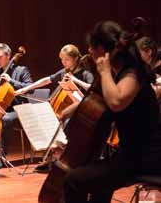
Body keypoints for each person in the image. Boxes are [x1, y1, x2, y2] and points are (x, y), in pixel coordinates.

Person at [62, 21, 161, 203]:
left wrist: (105, 72)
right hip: (130, 154)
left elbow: (116, 102)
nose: (90, 52)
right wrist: (67, 112)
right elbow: (98, 100)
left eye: (92, 47)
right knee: (100, 185)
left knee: (72, 181)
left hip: (146, 156)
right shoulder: (117, 74)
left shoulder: (133, 73)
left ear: (104, 49)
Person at [15, 44, 94, 173]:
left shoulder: (85, 73)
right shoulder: (65, 72)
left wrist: (76, 81)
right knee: (48, 122)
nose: (63, 62)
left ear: (75, 59)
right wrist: (26, 88)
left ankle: (67, 159)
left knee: (67, 125)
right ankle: (51, 158)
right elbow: (47, 80)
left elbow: (91, 88)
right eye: (61, 59)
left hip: (80, 110)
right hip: (65, 112)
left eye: (66, 59)